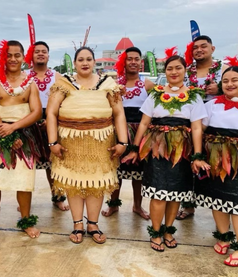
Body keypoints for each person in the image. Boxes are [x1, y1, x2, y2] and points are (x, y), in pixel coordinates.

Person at [122, 49, 208, 251]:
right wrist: (135, 148)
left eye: (178, 68)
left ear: (185, 70)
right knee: (159, 192)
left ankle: (169, 230)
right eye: (170, 68)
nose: (174, 72)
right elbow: (143, 124)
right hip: (156, 148)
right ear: (165, 71)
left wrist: (196, 155)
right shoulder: (156, 95)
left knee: (176, 193)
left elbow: (196, 127)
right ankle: (156, 232)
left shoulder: (193, 96)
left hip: (182, 150)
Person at [46, 47, 127, 244]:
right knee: (73, 183)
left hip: (101, 143)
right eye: (80, 59)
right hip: (69, 143)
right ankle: (77, 225)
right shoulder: (64, 84)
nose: (85, 62)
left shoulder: (108, 84)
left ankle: (93, 224)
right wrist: (53, 142)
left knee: (96, 183)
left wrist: (123, 142)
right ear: (74, 63)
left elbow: (118, 113)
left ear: (94, 62)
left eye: (89, 59)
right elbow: (51, 113)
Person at [0, 40, 44, 243]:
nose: (13, 59)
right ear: (3, 57)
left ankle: (26, 221)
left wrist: (14, 128)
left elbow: (37, 111)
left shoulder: (30, 82)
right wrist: (6, 134)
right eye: (9, 55)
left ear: (23, 57)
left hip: (23, 134)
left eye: (17, 55)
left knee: (24, 182)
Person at [194, 62, 238, 267]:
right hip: (216, 160)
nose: (229, 84)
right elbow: (199, 132)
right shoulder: (211, 105)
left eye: (234, 80)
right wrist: (198, 156)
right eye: (225, 81)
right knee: (218, 199)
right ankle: (223, 236)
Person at [177, 35, 227, 220]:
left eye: (203, 46)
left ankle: (221, 212)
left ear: (212, 49)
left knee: (217, 167)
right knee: (188, 165)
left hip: (215, 126)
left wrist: (220, 89)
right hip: (189, 124)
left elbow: (237, 90)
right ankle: (188, 206)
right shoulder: (186, 70)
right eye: (195, 48)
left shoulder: (223, 69)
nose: (199, 50)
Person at [101, 46, 153, 219]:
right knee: (116, 171)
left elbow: (155, 111)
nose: (133, 62)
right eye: (129, 59)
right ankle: (113, 205)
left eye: (136, 59)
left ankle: (137, 206)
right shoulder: (114, 85)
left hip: (141, 133)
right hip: (119, 132)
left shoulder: (148, 85)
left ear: (141, 62)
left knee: (139, 173)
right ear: (124, 62)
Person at [25, 41, 69, 211]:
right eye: (37, 52)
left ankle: (57, 197)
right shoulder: (24, 76)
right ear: (32, 55)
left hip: (52, 121)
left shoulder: (58, 77)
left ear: (48, 55)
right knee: (27, 163)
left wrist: (53, 122)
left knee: (53, 163)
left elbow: (65, 102)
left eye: (44, 51)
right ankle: (24, 200)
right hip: (29, 121)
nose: (41, 54)